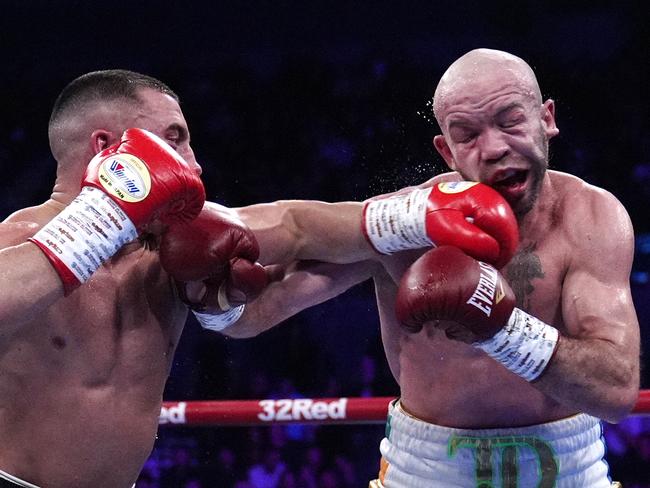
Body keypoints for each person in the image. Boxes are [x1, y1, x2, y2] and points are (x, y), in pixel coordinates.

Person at [187, 49, 639, 487]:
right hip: (424, 472)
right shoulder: (406, 223)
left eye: (510, 121)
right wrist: (215, 300)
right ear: (447, 151)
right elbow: (252, 312)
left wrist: (500, 328)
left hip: (571, 471)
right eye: (468, 134)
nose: (495, 148)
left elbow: (616, 391)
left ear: (546, 118)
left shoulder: (591, 218)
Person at [0, 70, 268, 488]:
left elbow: (298, 227)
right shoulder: (14, 242)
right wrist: (103, 219)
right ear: (107, 148)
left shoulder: (171, 249)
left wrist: (394, 221)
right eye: (174, 138)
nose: (193, 164)